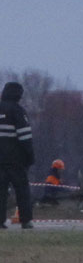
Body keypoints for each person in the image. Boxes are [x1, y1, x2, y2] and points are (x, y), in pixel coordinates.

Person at [0, 82, 35, 229]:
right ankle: (25, 221)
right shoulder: (18, 111)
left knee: (0, 192)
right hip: (16, 161)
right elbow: (25, 136)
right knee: (22, 190)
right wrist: (30, 157)